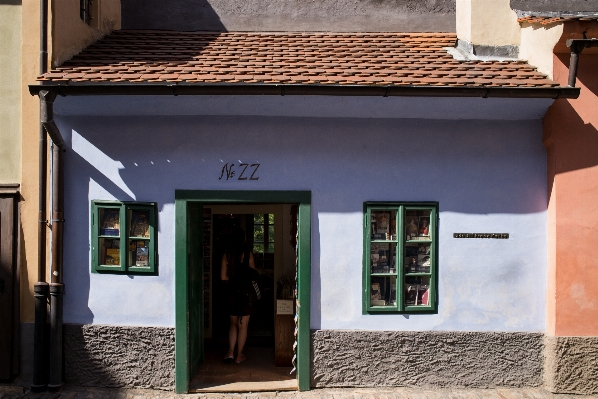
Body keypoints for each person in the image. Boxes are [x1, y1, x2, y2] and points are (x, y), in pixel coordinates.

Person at [220, 227, 256, 364]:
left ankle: (230, 352)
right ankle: (239, 355)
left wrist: (233, 278)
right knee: (244, 325)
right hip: (246, 294)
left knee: (233, 323)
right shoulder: (248, 254)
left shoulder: (226, 255)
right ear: (244, 239)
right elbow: (253, 273)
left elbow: (223, 277)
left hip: (232, 293)